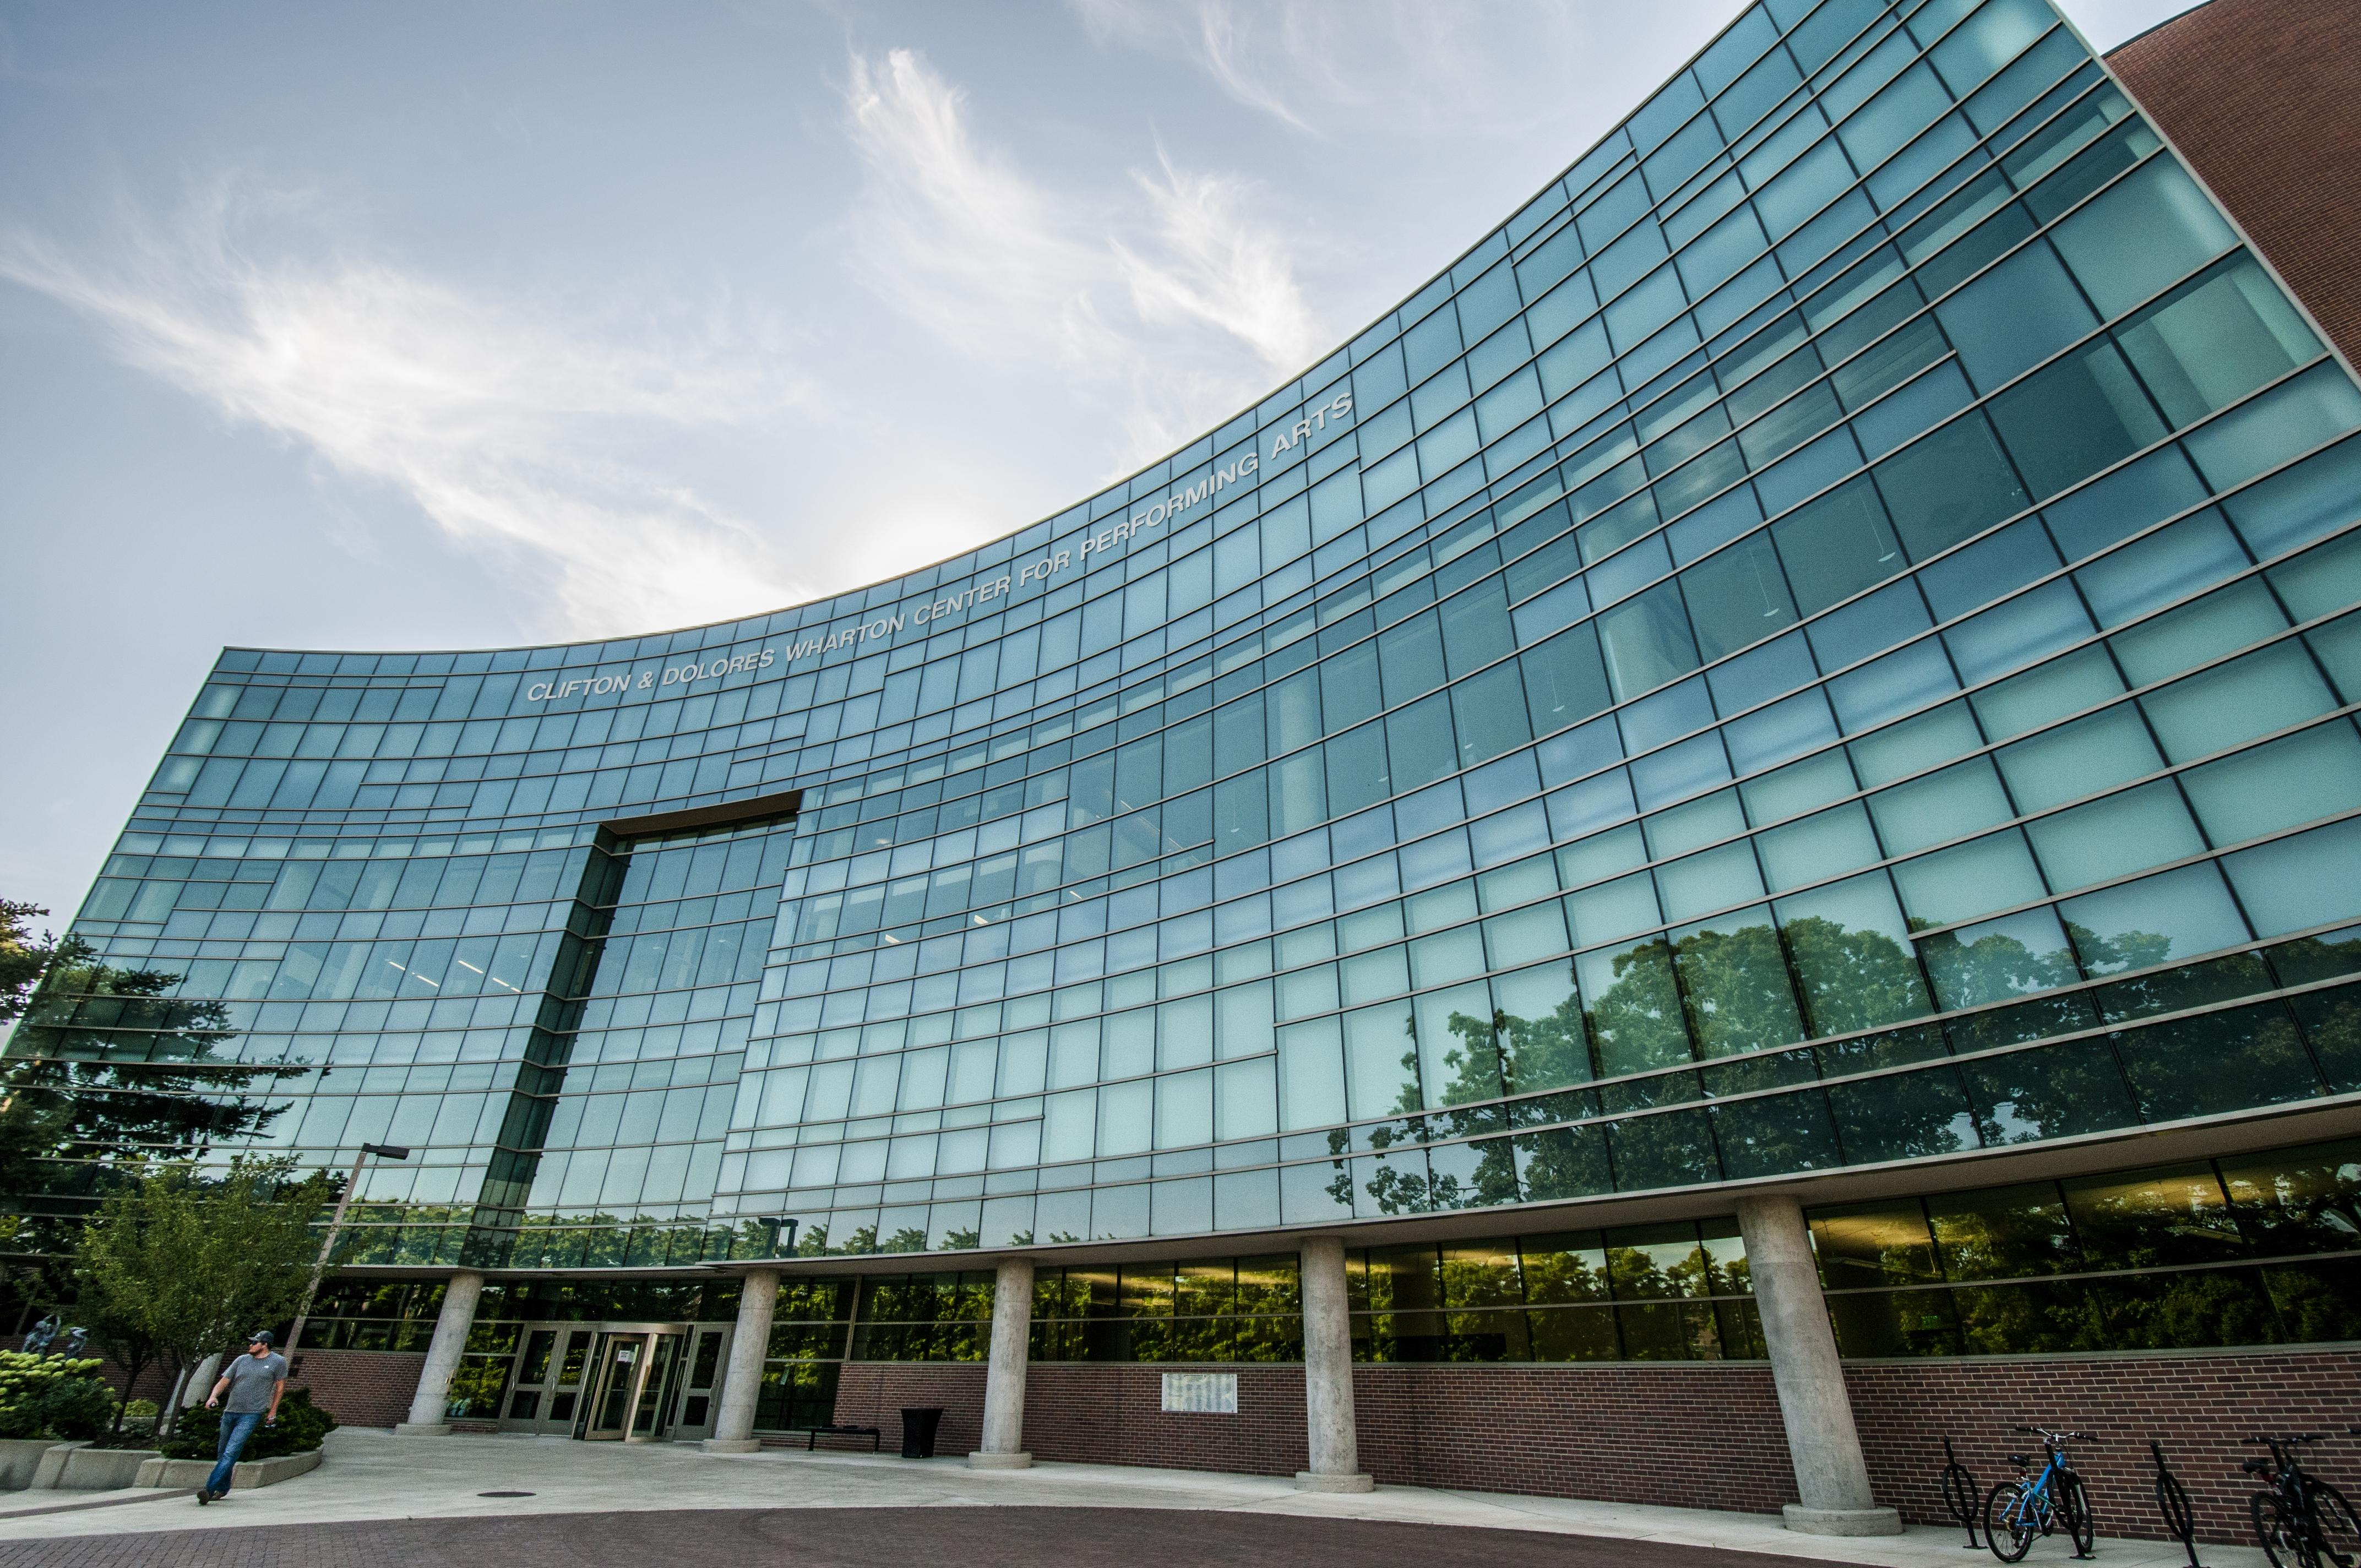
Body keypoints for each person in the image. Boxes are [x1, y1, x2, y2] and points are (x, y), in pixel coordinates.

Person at [197, 1331, 286, 1504]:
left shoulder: (278, 1362)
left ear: (265, 1344)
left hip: (251, 1415)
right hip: (230, 1412)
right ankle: (223, 1489)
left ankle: (208, 1491)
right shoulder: (241, 1360)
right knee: (223, 1454)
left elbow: (280, 1389)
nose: (250, 1345)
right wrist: (213, 1396)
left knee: (230, 1454)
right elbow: (224, 1381)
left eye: (254, 1343)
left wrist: (272, 1412)